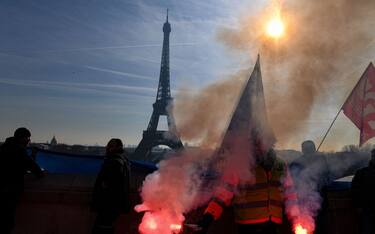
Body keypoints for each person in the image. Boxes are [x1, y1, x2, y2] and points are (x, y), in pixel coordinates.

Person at [194, 145, 296, 234]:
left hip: (273, 225)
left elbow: (290, 194)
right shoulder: (241, 163)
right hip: (248, 226)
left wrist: (298, 218)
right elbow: (224, 193)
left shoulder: (280, 164)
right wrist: (208, 217)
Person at [0, 127, 44, 234]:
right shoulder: (19, 151)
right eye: (28, 138)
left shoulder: (3, 148)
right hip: (10, 192)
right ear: (22, 138)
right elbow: (35, 170)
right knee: (6, 223)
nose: (29, 140)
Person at [91, 138, 131, 234]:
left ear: (118, 147)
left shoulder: (114, 162)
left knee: (101, 228)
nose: (108, 147)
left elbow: (111, 184)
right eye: (108, 145)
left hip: (108, 203)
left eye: (111, 146)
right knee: (107, 227)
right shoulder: (124, 160)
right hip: (115, 203)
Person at [351, 149, 375, 234]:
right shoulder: (361, 173)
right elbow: (355, 191)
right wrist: (358, 206)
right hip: (366, 211)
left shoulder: (361, 173)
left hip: (365, 211)